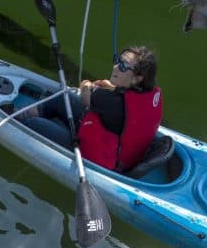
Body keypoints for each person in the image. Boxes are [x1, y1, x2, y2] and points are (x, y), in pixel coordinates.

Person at [22, 46, 162, 173]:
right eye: (117, 61)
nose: (115, 67)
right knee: (62, 98)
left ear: (137, 79)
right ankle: (28, 113)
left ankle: (18, 118)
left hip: (95, 158)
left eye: (123, 66)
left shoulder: (107, 99)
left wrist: (87, 85)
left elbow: (85, 99)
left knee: (34, 123)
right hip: (125, 159)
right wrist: (115, 88)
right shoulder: (150, 97)